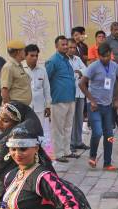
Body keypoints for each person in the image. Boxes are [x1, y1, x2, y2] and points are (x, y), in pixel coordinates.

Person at [80, 43, 118, 171]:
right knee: (97, 132)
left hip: (108, 106)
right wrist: (91, 100)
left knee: (109, 134)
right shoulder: (93, 67)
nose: (106, 59)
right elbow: (82, 84)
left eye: (108, 56)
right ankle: (92, 156)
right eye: (103, 57)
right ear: (99, 56)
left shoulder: (115, 66)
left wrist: (117, 99)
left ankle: (107, 163)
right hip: (94, 107)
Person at [45, 35, 76, 163]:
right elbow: (46, 79)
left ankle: (66, 151)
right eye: (62, 45)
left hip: (70, 98)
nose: (65, 47)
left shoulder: (66, 59)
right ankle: (58, 154)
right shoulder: (53, 61)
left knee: (68, 126)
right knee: (58, 128)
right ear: (56, 46)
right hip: (58, 99)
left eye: (66, 44)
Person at [23, 44, 51, 136]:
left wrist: (48, 106)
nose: (35, 58)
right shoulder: (20, 69)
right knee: (25, 132)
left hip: (39, 107)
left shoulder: (42, 70)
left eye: (36, 56)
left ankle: (38, 149)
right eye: (32, 55)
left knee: (39, 131)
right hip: (25, 108)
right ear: (25, 55)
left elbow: (46, 88)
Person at [67, 39, 89, 154]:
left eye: (74, 48)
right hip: (70, 93)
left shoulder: (78, 59)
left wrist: (80, 72)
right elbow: (69, 73)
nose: (72, 50)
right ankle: (70, 143)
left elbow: (86, 70)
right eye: (70, 47)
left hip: (80, 92)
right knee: (71, 119)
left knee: (79, 118)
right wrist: (79, 72)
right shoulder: (65, 60)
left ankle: (78, 141)